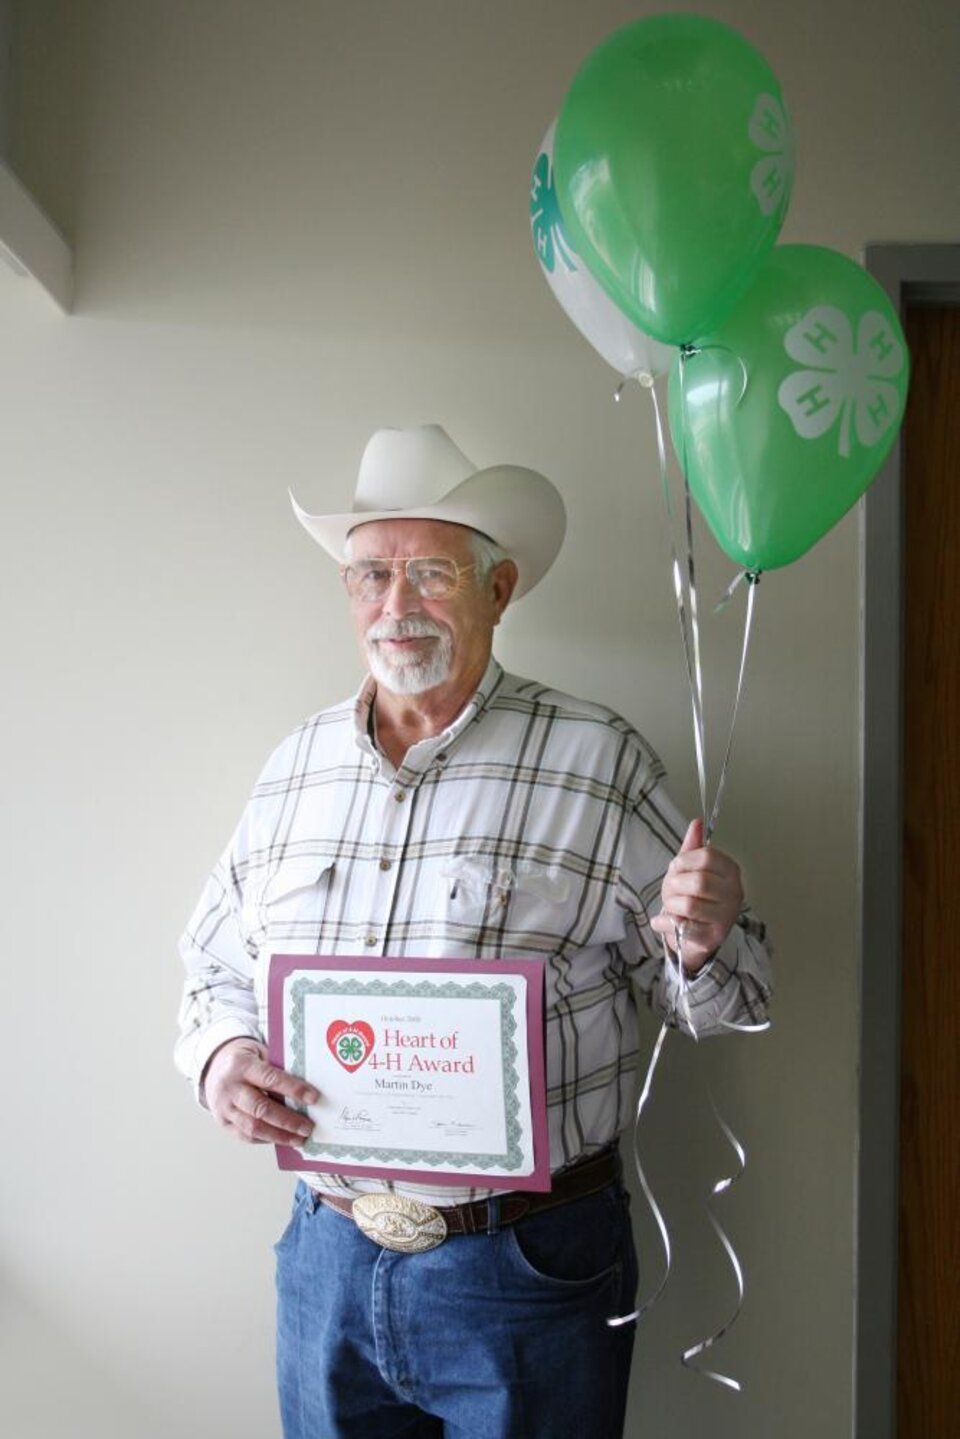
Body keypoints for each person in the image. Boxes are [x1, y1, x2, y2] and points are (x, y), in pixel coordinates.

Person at [176, 423, 772, 1439]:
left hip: (525, 1264)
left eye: (431, 573)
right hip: (327, 1257)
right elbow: (214, 963)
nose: (396, 605)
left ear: (498, 589)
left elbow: (729, 997)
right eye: (371, 574)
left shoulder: (598, 758)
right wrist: (223, 1055)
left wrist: (704, 940)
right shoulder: (295, 767)